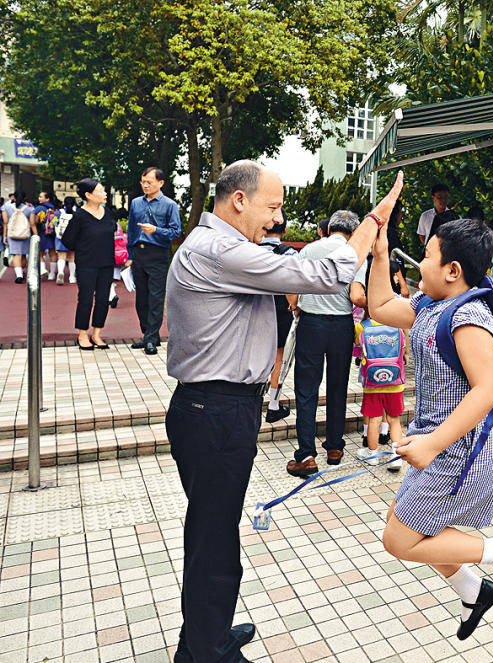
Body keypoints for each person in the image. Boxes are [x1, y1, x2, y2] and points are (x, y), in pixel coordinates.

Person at [164, 159, 403, 663]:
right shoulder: (219, 250)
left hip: (221, 408)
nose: (277, 217)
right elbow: (321, 272)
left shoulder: (228, 248)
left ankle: (208, 635)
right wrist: (373, 221)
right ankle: (205, 652)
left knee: (215, 533)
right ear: (239, 200)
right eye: (272, 206)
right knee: (212, 540)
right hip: (215, 411)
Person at [368, 218, 493, 641]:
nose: (420, 263)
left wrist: (434, 443)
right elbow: (380, 306)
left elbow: (488, 389)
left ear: (452, 270)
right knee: (405, 525)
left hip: (462, 451)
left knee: (399, 540)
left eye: (427, 256)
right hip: (439, 446)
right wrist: (380, 252)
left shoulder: (469, 316)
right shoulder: (430, 305)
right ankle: (473, 589)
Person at [286, 210, 369, 476]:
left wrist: (295, 305)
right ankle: (334, 447)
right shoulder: (356, 254)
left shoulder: (309, 250)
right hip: (341, 327)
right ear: (353, 232)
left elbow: (292, 285)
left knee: (307, 389)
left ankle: (306, 455)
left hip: (311, 324)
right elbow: (356, 296)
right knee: (337, 387)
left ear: (328, 228)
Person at [354, 265, 406, 472]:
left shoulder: (363, 326)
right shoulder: (398, 323)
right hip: (395, 382)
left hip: (372, 383)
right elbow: (403, 350)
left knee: (374, 419)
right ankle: (395, 457)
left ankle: (372, 454)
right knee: (394, 419)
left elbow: (358, 349)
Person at [127, 167, 182, 356]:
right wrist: (130, 255)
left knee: (156, 297)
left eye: (149, 182)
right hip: (139, 253)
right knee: (141, 298)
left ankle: (150, 338)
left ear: (161, 183)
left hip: (158, 254)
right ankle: (149, 334)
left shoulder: (169, 205)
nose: (145, 185)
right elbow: (132, 231)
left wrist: (156, 231)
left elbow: (176, 232)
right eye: (143, 182)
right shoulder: (135, 203)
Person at [61, 179, 118, 350]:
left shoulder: (107, 212)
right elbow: (68, 240)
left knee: (102, 300)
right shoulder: (80, 216)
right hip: (87, 264)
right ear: (88, 195)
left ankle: (97, 334)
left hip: (107, 263)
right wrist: (85, 247)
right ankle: (82, 334)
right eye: (100, 191)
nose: (105, 193)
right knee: (85, 299)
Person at [258, 214, 299, 423]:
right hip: (280, 310)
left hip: (253, 310)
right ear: (284, 231)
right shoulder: (289, 254)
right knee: (278, 357)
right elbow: (292, 285)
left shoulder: (249, 250)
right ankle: (273, 405)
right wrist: (294, 306)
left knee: (253, 355)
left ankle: (253, 402)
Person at [3, 191, 34, 283]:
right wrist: (36, 235)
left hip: (12, 234)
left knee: (16, 255)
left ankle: (19, 275)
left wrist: (4, 235)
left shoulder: (6, 207)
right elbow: (32, 224)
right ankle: (23, 271)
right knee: (24, 254)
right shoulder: (30, 208)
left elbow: (5, 222)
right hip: (25, 234)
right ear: (25, 198)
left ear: (14, 197)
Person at [30, 191, 59, 280]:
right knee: (53, 253)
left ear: (47, 199)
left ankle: (42, 269)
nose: (39, 198)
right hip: (53, 233)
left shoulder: (38, 208)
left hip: (41, 233)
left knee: (40, 253)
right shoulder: (55, 208)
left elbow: (33, 222)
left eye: (41, 197)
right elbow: (56, 221)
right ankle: (52, 274)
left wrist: (35, 235)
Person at [55, 197, 77, 285]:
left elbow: (55, 223)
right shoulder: (77, 213)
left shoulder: (59, 212)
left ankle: (61, 272)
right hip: (73, 238)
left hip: (61, 237)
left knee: (61, 257)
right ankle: (72, 277)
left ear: (64, 203)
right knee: (72, 258)